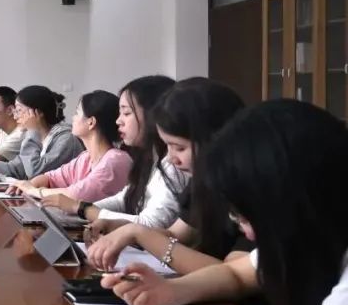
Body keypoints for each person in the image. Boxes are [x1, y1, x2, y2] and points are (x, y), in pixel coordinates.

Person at [103, 100, 348, 305]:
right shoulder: (314, 231)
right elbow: (237, 273)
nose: (248, 234)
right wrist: (170, 291)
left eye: (248, 217)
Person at [86, 78, 248, 273]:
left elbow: (234, 274)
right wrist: (121, 228)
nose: (171, 158)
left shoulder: (248, 189)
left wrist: (136, 232)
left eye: (179, 148)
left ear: (217, 139)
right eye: (168, 145)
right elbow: (175, 234)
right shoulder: (203, 182)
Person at [43, 75, 184, 230]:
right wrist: (80, 209)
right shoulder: (147, 158)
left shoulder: (175, 164)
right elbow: (124, 199)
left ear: (154, 115)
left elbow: (151, 224)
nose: (118, 121)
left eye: (126, 113)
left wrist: (83, 209)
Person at [7, 90, 131, 203]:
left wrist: (33, 190)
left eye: (77, 113)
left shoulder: (115, 160)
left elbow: (75, 195)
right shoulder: (86, 158)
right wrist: (29, 184)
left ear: (91, 122)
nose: (73, 118)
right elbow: (50, 178)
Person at [0, 86, 83, 179]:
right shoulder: (36, 136)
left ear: (38, 112)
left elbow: (35, 172)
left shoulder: (66, 140)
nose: (15, 117)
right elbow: (15, 168)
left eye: (19, 110)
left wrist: (32, 131)